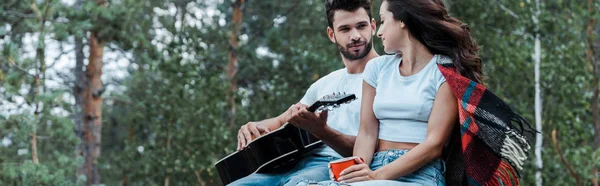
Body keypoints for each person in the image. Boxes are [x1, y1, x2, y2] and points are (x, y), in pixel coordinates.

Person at [311, 0, 533, 185]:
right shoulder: (376, 69)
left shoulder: (444, 72)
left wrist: (376, 177)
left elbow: (433, 145)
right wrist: (359, 172)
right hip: (374, 166)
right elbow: (367, 133)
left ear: (402, 22)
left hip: (421, 174)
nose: (378, 32)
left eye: (383, 20)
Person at [228, 0, 379, 185]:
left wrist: (321, 130)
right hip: (297, 163)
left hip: (336, 167)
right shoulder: (325, 83)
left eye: (361, 26)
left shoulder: (388, 73)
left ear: (373, 26)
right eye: (345, 29)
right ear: (331, 34)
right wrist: (253, 127)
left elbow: (381, 147)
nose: (355, 36)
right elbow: (281, 121)